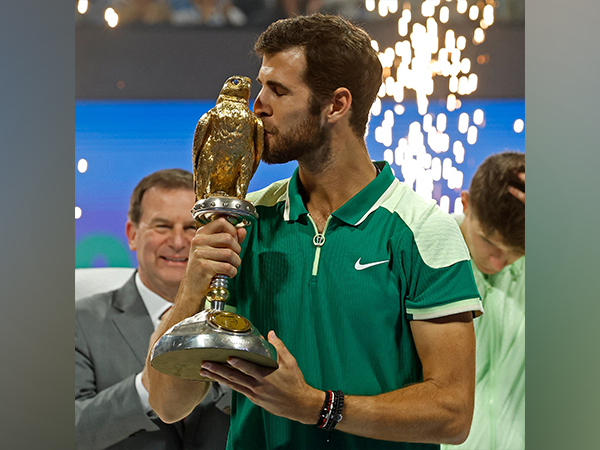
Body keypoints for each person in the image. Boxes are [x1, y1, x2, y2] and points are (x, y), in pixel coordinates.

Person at [145, 14, 484, 450]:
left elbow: (452, 414)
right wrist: (192, 288)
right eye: (261, 86)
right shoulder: (245, 218)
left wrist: (316, 407)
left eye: (278, 91)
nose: (258, 105)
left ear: (336, 105)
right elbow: (168, 403)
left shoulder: (423, 231)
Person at [75, 168, 231, 450]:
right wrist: (148, 387)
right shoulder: (78, 321)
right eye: (162, 226)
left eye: (191, 228)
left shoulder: (237, 320)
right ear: (132, 234)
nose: (178, 242)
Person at [443, 152, 525, 450]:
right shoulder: (421, 258)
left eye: (515, 249)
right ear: (466, 204)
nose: (499, 261)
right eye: (488, 241)